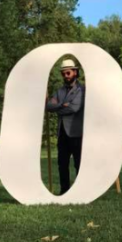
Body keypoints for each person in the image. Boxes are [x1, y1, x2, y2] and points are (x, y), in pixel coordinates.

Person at [46, 59, 85, 194]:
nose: (65, 76)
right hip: (62, 133)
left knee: (79, 164)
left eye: (68, 73)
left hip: (77, 133)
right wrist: (63, 105)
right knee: (62, 164)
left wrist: (58, 106)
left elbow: (74, 108)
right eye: (63, 74)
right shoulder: (60, 90)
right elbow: (48, 106)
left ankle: (80, 191)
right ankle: (64, 190)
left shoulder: (82, 89)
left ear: (75, 72)